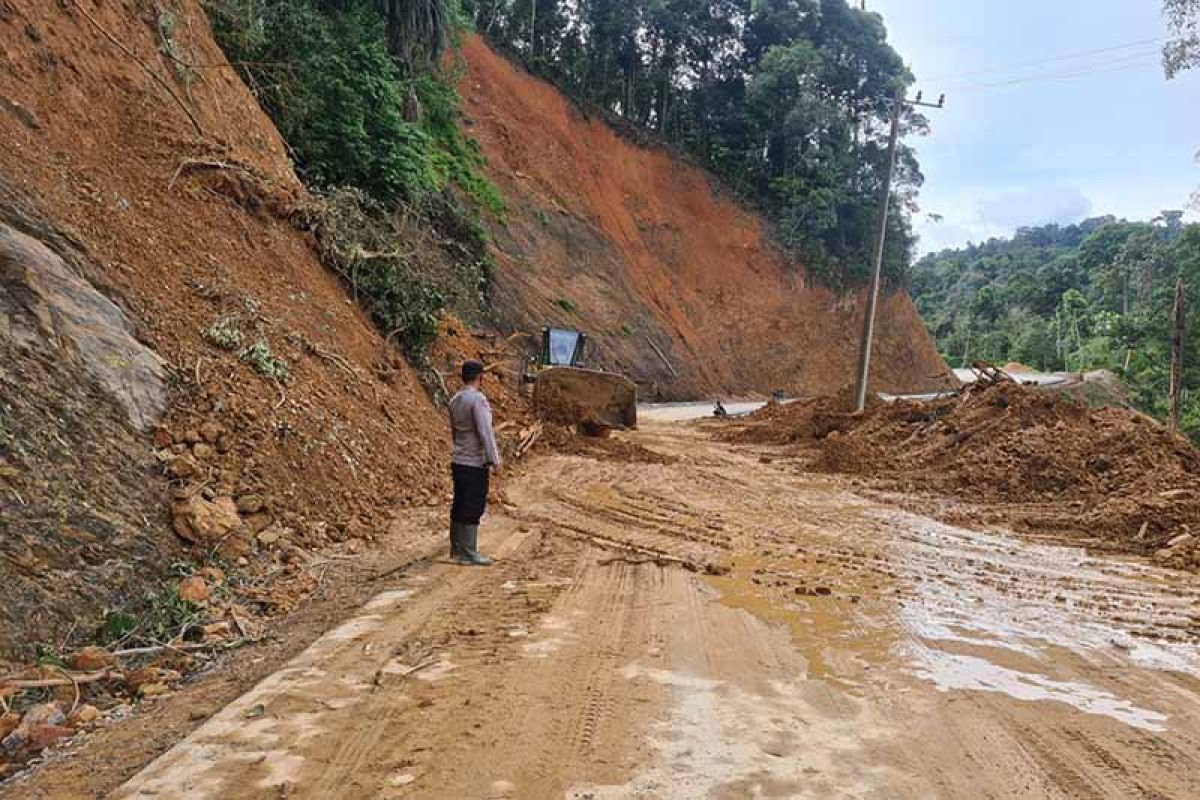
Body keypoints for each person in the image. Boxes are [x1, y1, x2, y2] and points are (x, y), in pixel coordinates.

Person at [448, 360, 501, 566]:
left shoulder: (455, 400)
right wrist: (494, 459)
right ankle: (470, 552)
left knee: (459, 502)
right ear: (480, 377)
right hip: (474, 462)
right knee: (473, 504)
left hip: (458, 459)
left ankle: (457, 548)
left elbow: (454, 432)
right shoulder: (478, 400)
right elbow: (485, 432)